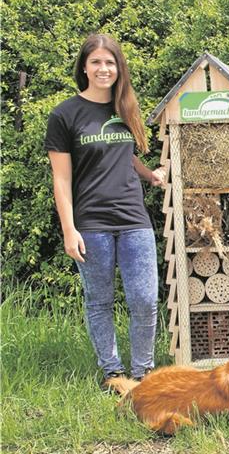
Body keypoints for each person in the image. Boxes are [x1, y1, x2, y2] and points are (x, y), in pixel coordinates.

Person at [45, 34, 165, 388]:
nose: (103, 68)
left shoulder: (124, 108)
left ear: (119, 68)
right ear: (84, 66)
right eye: (96, 62)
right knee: (99, 301)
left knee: (144, 299)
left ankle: (143, 374)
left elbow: (122, 153)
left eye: (110, 62)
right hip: (92, 224)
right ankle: (113, 373)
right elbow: (61, 179)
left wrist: (150, 174)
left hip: (133, 219)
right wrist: (69, 229)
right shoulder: (64, 115)